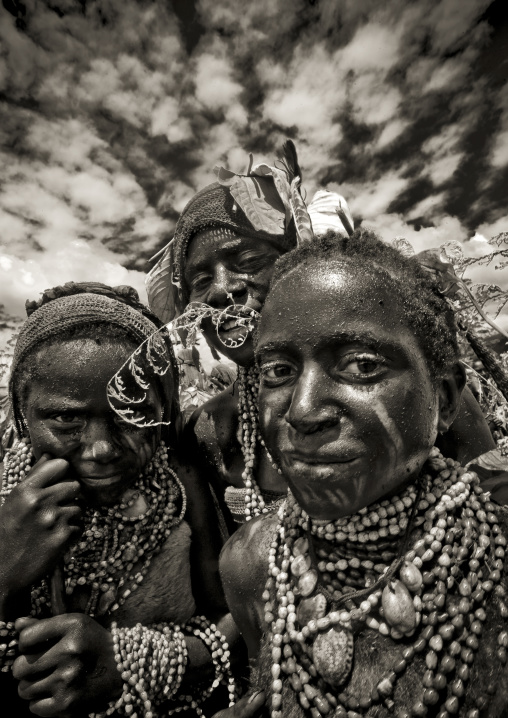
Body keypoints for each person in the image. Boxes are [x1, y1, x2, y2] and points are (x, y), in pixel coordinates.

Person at [218, 230, 508, 718]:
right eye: (278, 372)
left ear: (447, 396)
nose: (304, 411)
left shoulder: (496, 557)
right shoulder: (250, 565)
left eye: (362, 365)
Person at [147, 148, 496, 528]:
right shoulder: (209, 431)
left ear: (301, 264)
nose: (222, 290)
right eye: (200, 281)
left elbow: (489, 516)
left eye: (247, 264)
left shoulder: (413, 390)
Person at [0, 283, 238, 717]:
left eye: (133, 415)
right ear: (21, 414)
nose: (102, 448)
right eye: (67, 418)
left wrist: (125, 663)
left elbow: (231, 623)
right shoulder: (6, 500)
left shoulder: (181, 484)